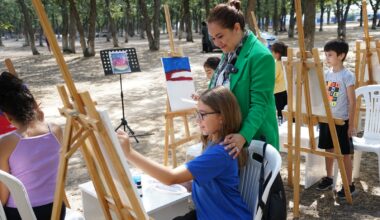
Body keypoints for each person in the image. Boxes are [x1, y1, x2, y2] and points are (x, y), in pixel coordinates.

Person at [117, 86, 252, 220]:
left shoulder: (220, 152)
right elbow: (209, 181)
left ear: (221, 117)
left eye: (203, 115)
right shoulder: (215, 142)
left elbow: (170, 177)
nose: (197, 120)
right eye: (197, 113)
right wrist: (188, 182)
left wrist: (129, 153)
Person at [207, 1, 279, 156]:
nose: (217, 43)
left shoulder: (260, 56)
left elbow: (260, 105)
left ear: (237, 28)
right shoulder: (230, 51)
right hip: (229, 138)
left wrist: (243, 136)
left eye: (220, 36)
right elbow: (222, 84)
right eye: (213, 38)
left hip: (253, 139)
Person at [0, 72, 65, 219]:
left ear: (8, 117)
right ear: (34, 105)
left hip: (23, 212)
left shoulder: (6, 143)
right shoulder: (55, 130)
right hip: (56, 208)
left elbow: (3, 195)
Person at [316, 40, 357, 198]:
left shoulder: (347, 75)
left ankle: (349, 184)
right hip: (327, 120)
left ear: (341, 56)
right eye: (326, 55)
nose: (327, 57)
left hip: (342, 121)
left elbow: (352, 102)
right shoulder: (326, 74)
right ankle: (329, 177)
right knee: (329, 149)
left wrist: (351, 124)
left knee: (345, 153)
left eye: (330, 55)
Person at [271, 41, 288, 122]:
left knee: (280, 111)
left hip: (277, 91)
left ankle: (281, 123)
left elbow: (272, 78)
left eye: (272, 52)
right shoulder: (285, 62)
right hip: (285, 89)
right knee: (286, 109)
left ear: (277, 53)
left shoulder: (277, 64)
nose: (272, 53)